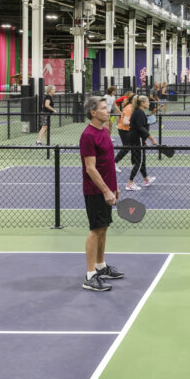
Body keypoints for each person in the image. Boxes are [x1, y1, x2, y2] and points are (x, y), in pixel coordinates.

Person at [78, 96, 124, 292]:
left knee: (103, 228)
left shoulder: (104, 131)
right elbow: (90, 168)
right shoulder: (88, 136)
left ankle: (101, 266)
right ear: (93, 112)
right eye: (104, 108)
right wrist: (105, 190)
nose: (108, 111)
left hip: (107, 188)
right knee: (96, 230)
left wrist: (114, 186)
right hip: (95, 190)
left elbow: (109, 162)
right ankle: (90, 276)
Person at [125, 95, 159, 191]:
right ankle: (130, 183)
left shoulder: (139, 112)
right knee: (139, 162)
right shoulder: (139, 112)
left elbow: (138, 127)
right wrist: (151, 139)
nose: (149, 103)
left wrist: (143, 140)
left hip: (137, 138)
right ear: (142, 103)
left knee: (142, 161)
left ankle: (146, 179)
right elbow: (140, 128)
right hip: (136, 138)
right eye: (147, 101)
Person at [114, 95, 136, 169]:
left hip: (129, 129)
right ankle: (114, 163)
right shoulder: (129, 108)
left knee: (134, 147)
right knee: (127, 147)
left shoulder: (134, 108)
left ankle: (134, 164)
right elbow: (125, 121)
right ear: (133, 100)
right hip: (123, 129)